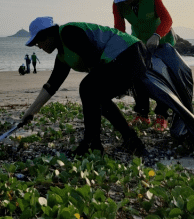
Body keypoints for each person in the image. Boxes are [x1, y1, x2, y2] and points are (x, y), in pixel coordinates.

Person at [20, 16, 149, 156]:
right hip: (126, 55)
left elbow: (94, 61)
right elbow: (51, 86)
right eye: (37, 44)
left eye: (40, 40)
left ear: (50, 34)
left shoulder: (69, 33)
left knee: (88, 88)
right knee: (96, 94)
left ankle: (91, 144)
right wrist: (31, 112)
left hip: (130, 52)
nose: (40, 46)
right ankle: (130, 140)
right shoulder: (63, 55)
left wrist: (91, 139)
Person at [109, 0, 175, 132]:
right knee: (136, 76)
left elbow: (167, 20)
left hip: (162, 40)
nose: (125, 0)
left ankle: (162, 116)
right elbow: (119, 28)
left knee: (163, 77)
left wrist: (157, 35)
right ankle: (142, 114)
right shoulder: (118, 4)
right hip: (138, 42)